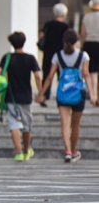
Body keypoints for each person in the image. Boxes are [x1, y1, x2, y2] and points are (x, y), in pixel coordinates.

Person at [37, 29, 96, 162]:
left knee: (64, 123)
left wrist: (42, 93)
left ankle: (67, 151)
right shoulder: (83, 56)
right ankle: (74, 150)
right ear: (77, 41)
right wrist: (93, 94)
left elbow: (50, 77)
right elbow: (86, 75)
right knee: (75, 125)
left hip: (62, 93)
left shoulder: (57, 56)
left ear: (64, 41)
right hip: (78, 94)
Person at [0, 32, 43, 162]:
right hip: (26, 96)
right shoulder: (30, 58)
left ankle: (19, 152)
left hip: (11, 96)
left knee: (14, 123)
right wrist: (40, 92)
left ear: (12, 43)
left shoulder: (7, 57)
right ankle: (27, 150)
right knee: (27, 124)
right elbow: (38, 76)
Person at [39, 3, 69, 106]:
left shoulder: (48, 25)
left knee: (47, 74)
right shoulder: (65, 27)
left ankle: (44, 96)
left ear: (54, 13)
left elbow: (41, 36)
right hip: (61, 54)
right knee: (61, 75)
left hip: (48, 52)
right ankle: (62, 96)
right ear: (64, 14)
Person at [82, 0, 99, 99]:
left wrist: (82, 45)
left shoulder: (86, 17)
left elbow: (83, 34)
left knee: (92, 70)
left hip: (89, 44)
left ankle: (93, 94)